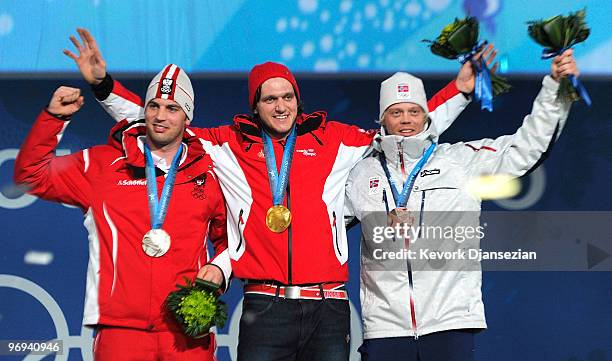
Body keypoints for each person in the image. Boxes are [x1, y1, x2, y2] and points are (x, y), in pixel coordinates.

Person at [64, 28, 485, 361]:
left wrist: (459, 92)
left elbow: (402, 128)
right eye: (270, 99)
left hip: (328, 306)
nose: (280, 106)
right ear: (256, 105)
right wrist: (104, 86)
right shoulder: (226, 144)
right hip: (264, 306)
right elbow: (164, 121)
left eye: (287, 97)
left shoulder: (335, 140)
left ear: (297, 101)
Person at [345, 50, 577, 360]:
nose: (405, 120)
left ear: (427, 115)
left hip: (449, 322)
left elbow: (528, 146)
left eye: (413, 111)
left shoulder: (460, 161)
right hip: (385, 328)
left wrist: (555, 88)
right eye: (395, 112)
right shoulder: (362, 174)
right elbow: (321, 222)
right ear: (382, 119)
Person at [13, 64, 229, 360]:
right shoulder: (101, 165)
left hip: (187, 330)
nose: (160, 116)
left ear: (187, 117)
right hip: (120, 332)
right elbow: (30, 175)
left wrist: (219, 270)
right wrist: (55, 118)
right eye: (153, 105)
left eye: (172, 108)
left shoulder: (210, 171)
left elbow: (233, 239)